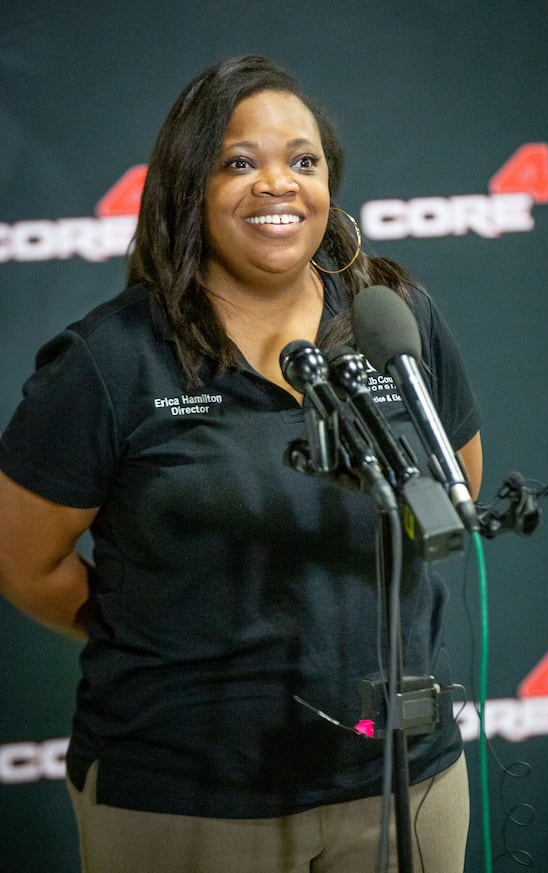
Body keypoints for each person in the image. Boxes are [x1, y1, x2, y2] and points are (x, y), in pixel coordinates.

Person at [0, 55, 482, 873]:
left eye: (303, 161)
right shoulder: (107, 359)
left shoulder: (394, 319)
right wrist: (166, 632)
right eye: (238, 162)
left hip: (403, 780)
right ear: (189, 188)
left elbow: (454, 480)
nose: (278, 185)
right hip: (187, 795)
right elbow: (26, 562)